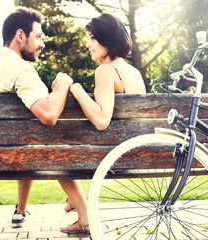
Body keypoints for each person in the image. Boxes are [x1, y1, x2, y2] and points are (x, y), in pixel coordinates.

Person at [0, 7, 73, 228]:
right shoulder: (21, 70)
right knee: (36, 137)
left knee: (25, 138)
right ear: (20, 35)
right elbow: (49, 115)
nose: (42, 44)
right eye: (38, 37)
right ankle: (78, 206)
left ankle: (21, 210)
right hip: (16, 156)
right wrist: (62, 84)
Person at [58, 13, 146, 234]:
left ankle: (81, 212)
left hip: (113, 155)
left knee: (57, 158)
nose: (87, 44)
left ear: (108, 38)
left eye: (92, 37)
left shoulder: (106, 70)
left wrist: (75, 88)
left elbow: (101, 120)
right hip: (137, 150)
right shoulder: (134, 72)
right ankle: (77, 207)